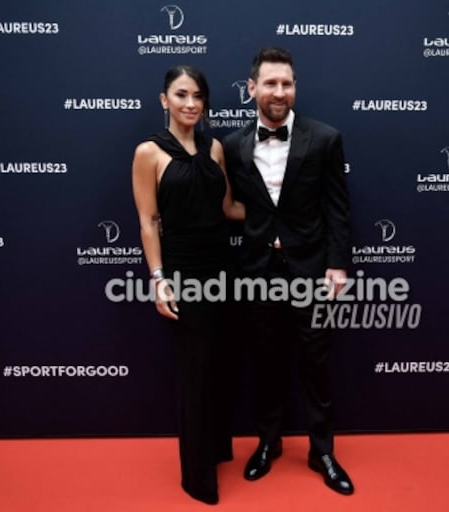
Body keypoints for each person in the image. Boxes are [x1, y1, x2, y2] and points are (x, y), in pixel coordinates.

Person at [222, 47, 354, 495]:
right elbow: (227, 206)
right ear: (252, 88)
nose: (280, 92)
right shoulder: (233, 145)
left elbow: (337, 208)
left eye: (288, 83)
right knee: (266, 362)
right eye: (271, 83)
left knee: (316, 363)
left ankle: (322, 451)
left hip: (312, 270)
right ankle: (268, 442)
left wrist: (338, 264)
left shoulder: (325, 139)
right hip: (258, 271)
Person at [132, 65, 244, 505]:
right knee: (195, 372)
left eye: (198, 95)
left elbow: (229, 208)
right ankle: (197, 478)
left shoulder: (214, 147)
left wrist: (282, 218)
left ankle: (215, 449)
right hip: (183, 274)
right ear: (164, 100)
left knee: (219, 367)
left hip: (222, 270)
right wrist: (158, 280)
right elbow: (147, 221)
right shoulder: (148, 153)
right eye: (181, 94)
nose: (191, 103)